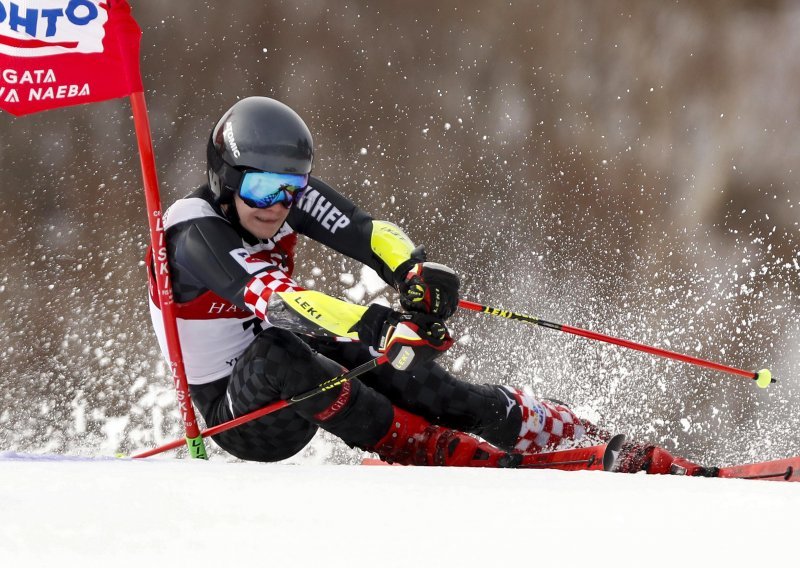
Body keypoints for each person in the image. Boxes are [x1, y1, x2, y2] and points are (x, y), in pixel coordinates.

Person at [147, 96, 708, 473]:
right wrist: (376, 320)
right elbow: (281, 302)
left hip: (301, 372)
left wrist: (412, 272)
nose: (280, 205)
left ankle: (539, 428)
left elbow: (365, 233)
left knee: (390, 360)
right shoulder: (192, 234)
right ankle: (421, 447)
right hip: (241, 415)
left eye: (291, 188)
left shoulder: (273, 201)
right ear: (227, 177)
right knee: (284, 349)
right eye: (265, 189)